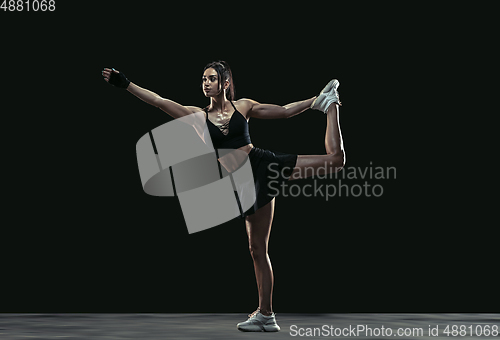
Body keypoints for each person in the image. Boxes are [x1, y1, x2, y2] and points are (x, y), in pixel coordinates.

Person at [102, 61, 345, 332]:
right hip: (243, 184)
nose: (205, 83)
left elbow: (286, 111)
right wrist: (126, 85)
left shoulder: (244, 106)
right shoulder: (197, 116)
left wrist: (315, 101)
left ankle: (330, 104)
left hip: (264, 165)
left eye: (211, 78)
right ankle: (266, 314)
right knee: (257, 250)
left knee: (335, 160)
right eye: (203, 79)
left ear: (225, 83)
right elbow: (160, 101)